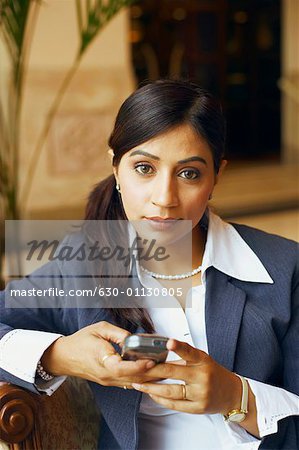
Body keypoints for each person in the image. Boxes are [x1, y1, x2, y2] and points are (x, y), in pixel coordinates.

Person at [0, 79, 298, 450]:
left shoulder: (285, 270)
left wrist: (236, 397)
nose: (164, 198)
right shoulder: (82, 265)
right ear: (116, 168)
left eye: (189, 173)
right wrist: (60, 356)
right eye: (144, 168)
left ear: (216, 177)